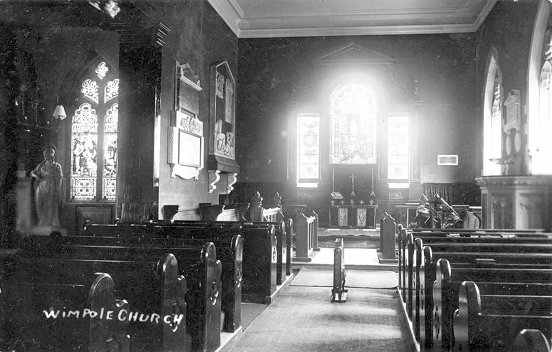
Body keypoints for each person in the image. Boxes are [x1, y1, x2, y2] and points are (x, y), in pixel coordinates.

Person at [30, 144, 63, 227]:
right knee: (39, 206)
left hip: (51, 189)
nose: (44, 156)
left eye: (47, 153)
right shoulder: (41, 165)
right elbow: (32, 172)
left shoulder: (57, 166)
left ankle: (49, 225)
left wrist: (58, 191)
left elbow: (59, 180)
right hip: (41, 188)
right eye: (44, 154)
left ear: (52, 154)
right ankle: (42, 224)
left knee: (50, 207)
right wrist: (37, 176)